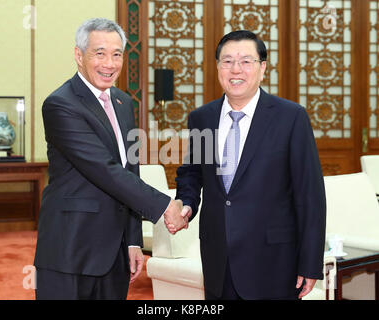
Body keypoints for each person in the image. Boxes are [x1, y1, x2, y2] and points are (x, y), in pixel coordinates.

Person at [33, 18, 185, 300]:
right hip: (70, 249)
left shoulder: (124, 103)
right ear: (79, 55)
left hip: (115, 253)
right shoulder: (60, 104)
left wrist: (132, 241)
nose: (110, 63)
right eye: (99, 53)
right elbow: (105, 170)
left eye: (117, 54)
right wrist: (165, 205)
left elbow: (130, 171)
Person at [174, 30, 326, 300]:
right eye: (228, 61)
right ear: (218, 66)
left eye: (246, 61)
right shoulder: (202, 118)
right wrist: (185, 205)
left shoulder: (291, 117)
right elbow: (192, 174)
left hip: (273, 260)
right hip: (218, 257)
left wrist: (310, 262)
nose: (236, 69)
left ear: (262, 67)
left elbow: (310, 196)